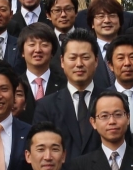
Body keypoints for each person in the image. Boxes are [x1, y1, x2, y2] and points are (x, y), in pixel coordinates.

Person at [32, 31, 105, 159]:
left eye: (85, 57)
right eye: (72, 58)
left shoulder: (111, 101)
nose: (79, 64)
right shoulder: (46, 106)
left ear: (96, 61)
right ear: (62, 61)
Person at [19, 22, 65, 102]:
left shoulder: (65, 85)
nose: (38, 50)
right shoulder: (15, 85)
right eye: (32, 44)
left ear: (52, 51)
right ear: (22, 51)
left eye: (44, 44)